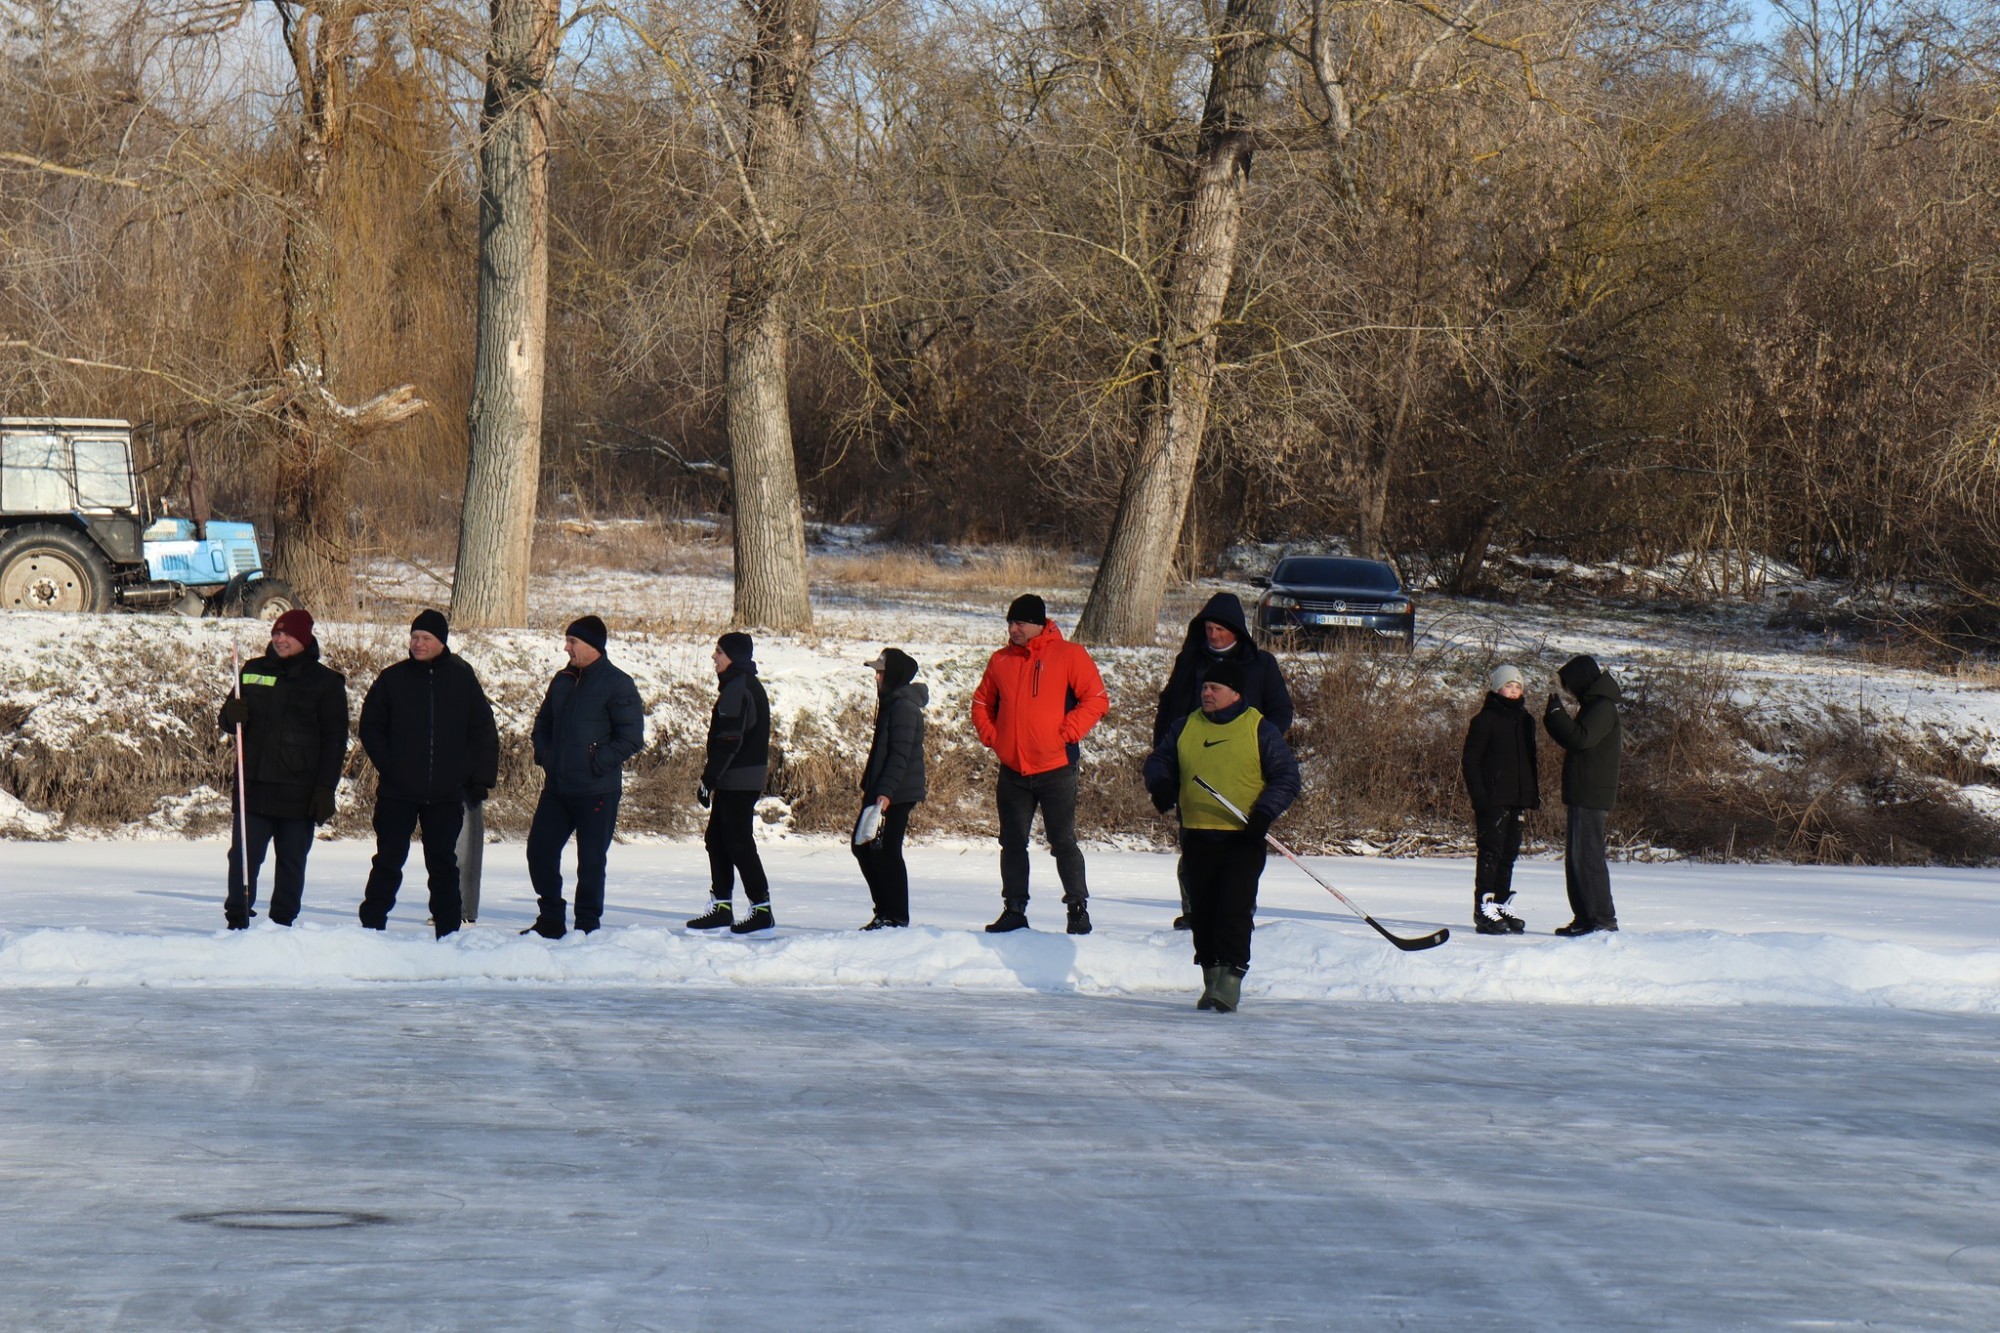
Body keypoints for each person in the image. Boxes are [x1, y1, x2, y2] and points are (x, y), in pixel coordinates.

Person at [1143, 659, 1301, 1012]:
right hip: (1197, 833)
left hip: (1242, 836)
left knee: (1233, 908)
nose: (1206, 693)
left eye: (1214, 688)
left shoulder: (1259, 728)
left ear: (1236, 694)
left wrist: (1263, 814)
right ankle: (1211, 977)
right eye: (1204, 688)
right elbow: (1159, 761)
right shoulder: (1186, 725)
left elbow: (1287, 778)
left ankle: (1230, 980)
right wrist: (1162, 784)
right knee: (1203, 911)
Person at [970, 593, 1110, 934]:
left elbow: (1096, 699)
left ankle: (1077, 909)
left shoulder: (1069, 655)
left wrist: (1068, 731)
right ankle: (1014, 908)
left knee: (1062, 840)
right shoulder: (1000, 660)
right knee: (1012, 842)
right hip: (1013, 770)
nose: (1013, 628)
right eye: (1010, 622)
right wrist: (994, 737)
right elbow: (981, 703)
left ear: (1038, 624)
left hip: (1056, 767)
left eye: (1020, 623)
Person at [1152, 591, 1293, 929]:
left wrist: (1255, 743)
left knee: (1241, 851)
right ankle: (1194, 911)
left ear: (1237, 631)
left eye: (1220, 629)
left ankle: (1239, 912)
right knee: (1193, 845)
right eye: (1209, 629)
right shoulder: (1190, 661)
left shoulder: (1261, 664)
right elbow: (1168, 710)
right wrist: (1164, 762)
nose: (1213, 636)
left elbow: (1281, 710)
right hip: (1194, 769)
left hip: (1242, 773)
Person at [356, 610, 500, 939]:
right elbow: (371, 727)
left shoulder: (462, 679)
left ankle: (448, 932)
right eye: (415, 637)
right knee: (388, 859)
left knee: (442, 863)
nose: (418, 644)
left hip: (446, 792)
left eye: (426, 639)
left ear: (441, 642)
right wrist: (390, 765)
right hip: (397, 791)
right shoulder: (392, 678)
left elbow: (482, 731)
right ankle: (371, 928)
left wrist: (475, 777)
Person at [218, 608, 348, 929]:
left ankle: (281, 925)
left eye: (287, 634)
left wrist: (324, 789)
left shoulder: (326, 682)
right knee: (243, 859)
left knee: (291, 862)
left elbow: (335, 741)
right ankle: (238, 917)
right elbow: (228, 719)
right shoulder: (251, 670)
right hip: (255, 787)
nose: (280, 639)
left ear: (304, 638)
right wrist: (231, 715)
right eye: (276, 633)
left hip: (299, 792)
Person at [523, 615, 645, 938]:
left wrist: (595, 762)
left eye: (572, 642)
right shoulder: (562, 680)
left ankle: (587, 926)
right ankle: (550, 918)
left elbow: (631, 737)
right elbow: (542, 725)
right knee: (539, 850)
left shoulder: (618, 684)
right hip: (558, 788)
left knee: (590, 861)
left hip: (597, 790)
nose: (567, 648)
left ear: (592, 646)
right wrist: (546, 755)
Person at [686, 632, 775, 934]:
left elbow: (729, 740)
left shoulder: (738, 688)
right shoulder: (743, 685)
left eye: (719, 652)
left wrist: (709, 780)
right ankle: (722, 906)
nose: (714, 657)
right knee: (717, 839)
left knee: (737, 842)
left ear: (733, 657)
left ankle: (761, 909)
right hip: (737, 778)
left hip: (737, 779)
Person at [1543, 653, 1623, 936]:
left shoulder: (1603, 707)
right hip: (1582, 792)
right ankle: (1585, 918)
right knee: (1576, 859)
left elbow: (1581, 739)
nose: (1568, 691)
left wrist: (1556, 715)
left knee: (1588, 858)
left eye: (1569, 685)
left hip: (1592, 794)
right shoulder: (1593, 705)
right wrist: (1555, 718)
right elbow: (1574, 739)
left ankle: (1602, 920)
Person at [1461, 664, 1539, 935]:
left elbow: (1529, 762)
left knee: (1509, 854)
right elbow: (1471, 760)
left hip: (1517, 799)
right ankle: (1484, 907)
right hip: (1492, 799)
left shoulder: (1526, 720)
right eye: (1509, 685)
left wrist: (1529, 796)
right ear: (1496, 688)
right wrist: (1480, 796)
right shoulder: (1484, 720)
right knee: (1490, 852)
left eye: (1518, 686)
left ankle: (1502, 903)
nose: (1514, 691)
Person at [853, 647, 927, 930]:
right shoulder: (891, 704)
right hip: (884, 790)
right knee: (865, 847)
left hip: (896, 793)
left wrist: (885, 794)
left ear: (893, 674)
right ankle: (886, 912)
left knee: (885, 851)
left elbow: (900, 755)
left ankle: (894, 916)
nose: (876, 678)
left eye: (881, 672)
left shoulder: (904, 708)